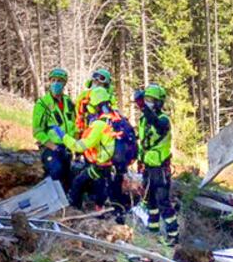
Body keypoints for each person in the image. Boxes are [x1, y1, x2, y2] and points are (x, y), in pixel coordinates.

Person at [69, 87, 130, 215]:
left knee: (78, 182)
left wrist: (63, 137)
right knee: (103, 188)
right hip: (115, 165)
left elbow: (80, 146)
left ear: (94, 105)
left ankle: (75, 211)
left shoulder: (99, 124)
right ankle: (105, 208)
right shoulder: (118, 118)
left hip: (102, 165)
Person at [134, 84, 177, 243]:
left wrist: (144, 107)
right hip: (148, 165)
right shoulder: (143, 119)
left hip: (160, 168)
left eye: (151, 100)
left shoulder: (163, 120)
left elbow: (158, 126)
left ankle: (173, 235)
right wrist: (140, 161)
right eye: (146, 99)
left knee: (163, 201)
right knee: (150, 199)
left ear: (159, 103)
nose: (148, 103)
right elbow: (144, 143)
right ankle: (153, 229)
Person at [32, 67, 77, 190]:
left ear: (64, 83)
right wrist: (53, 147)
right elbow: (37, 131)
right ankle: (48, 199)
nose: (56, 83)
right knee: (55, 171)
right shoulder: (43, 104)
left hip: (67, 147)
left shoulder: (68, 102)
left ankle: (67, 205)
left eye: (60, 81)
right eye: (53, 80)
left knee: (67, 178)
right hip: (50, 147)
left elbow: (74, 124)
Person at [74, 67, 113, 136]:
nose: (96, 84)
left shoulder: (110, 98)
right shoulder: (83, 96)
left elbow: (113, 114)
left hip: (105, 132)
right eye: (95, 82)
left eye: (100, 83)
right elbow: (77, 114)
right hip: (87, 132)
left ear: (106, 85)